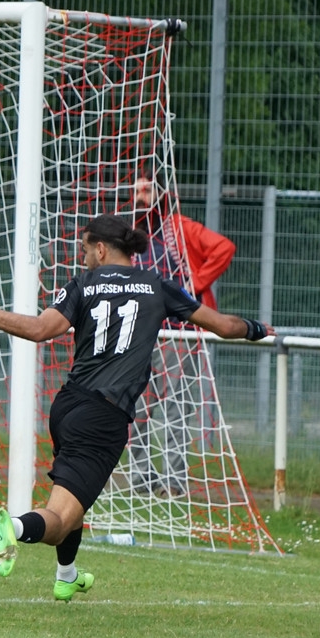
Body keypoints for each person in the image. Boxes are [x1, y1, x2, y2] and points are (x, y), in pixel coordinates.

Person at [0, 214, 271, 601]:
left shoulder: (82, 284)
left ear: (100, 249)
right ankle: (13, 528)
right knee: (59, 520)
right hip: (103, 418)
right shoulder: (157, 285)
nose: (83, 258)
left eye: (84, 250)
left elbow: (38, 330)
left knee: (74, 499)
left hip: (67, 406)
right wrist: (256, 329)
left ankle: (67, 575)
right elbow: (224, 326)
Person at [129, 167, 237, 496]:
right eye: (136, 190)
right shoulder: (130, 236)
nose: (140, 196)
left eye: (147, 190)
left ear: (161, 194)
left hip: (178, 334)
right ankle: (142, 480)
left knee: (176, 409)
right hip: (139, 335)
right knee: (135, 409)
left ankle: (174, 482)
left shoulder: (179, 228)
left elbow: (224, 248)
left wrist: (195, 284)